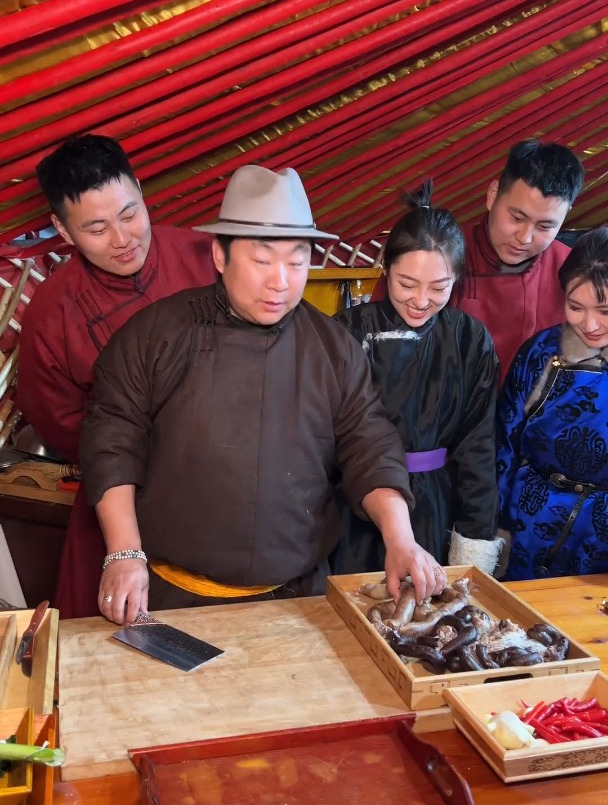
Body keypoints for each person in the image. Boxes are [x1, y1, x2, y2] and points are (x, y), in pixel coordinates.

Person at [79, 164, 448, 625]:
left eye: (297, 261)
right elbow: (113, 439)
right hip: (172, 600)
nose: (281, 281)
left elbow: (368, 442)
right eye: (261, 260)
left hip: (298, 602)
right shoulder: (156, 335)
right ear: (220, 255)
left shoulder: (331, 348)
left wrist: (401, 538)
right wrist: (123, 552)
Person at [17, 134, 218, 618]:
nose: (123, 239)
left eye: (130, 214)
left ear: (142, 194)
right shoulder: (51, 312)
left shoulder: (206, 254)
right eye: (97, 228)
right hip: (118, 491)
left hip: (218, 485)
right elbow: (56, 416)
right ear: (62, 231)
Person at [333, 181, 502, 575]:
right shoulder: (345, 331)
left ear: (456, 279)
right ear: (385, 268)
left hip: (436, 504)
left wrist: (475, 538)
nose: (421, 300)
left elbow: (478, 446)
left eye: (439, 287)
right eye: (407, 284)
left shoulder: (469, 338)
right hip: (355, 503)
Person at [370, 140, 585, 383]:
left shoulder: (574, 271)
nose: (524, 238)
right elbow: (378, 346)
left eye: (545, 226)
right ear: (493, 195)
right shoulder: (437, 251)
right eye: (516, 217)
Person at [497, 227, 608, 581]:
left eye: (605, 310)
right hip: (528, 526)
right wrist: (497, 529)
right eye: (575, 307)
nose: (589, 324)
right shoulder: (541, 353)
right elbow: (504, 446)